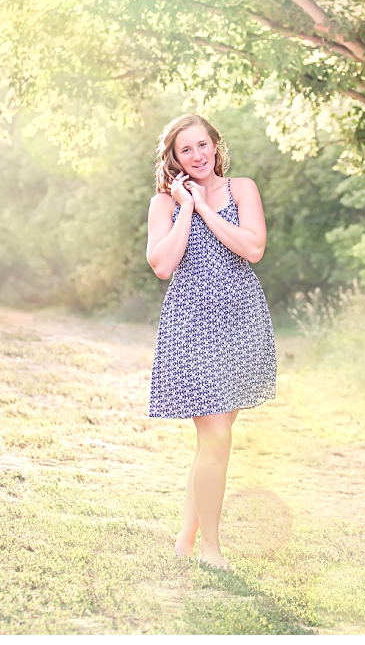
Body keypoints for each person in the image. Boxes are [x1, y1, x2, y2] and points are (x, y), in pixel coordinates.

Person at [145, 113, 275, 571]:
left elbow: (252, 248)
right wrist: (184, 208)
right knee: (216, 436)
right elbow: (162, 265)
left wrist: (204, 208)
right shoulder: (163, 204)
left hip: (242, 320)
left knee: (213, 443)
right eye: (186, 150)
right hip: (191, 324)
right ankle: (211, 550)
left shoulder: (242, 188)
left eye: (203, 145)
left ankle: (185, 539)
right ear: (175, 159)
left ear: (216, 147)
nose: (197, 155)